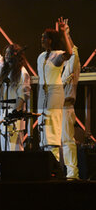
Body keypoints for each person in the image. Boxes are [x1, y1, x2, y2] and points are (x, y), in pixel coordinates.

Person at [0, 25, 31, 151]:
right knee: (5, 151)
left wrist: (13, 115)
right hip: (4, 116)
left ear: (15, 55)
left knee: (14, 150)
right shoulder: (4, 69)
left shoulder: (22, 73)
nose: (5, 55)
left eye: (8, 53)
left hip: (14, 118)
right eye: (5, 53)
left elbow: (22, 96)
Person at [37, 17, 72, 162]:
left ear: (50, 40)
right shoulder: (40, 57)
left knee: (52, 125)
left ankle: (55, 163)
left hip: (54, 93)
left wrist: (64, 33)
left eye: (44, 37)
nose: (41, 39)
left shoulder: (57, 55)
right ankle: (45, 162)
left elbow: (69, 54)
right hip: (42, 94)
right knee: (42, 124)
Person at [61, 19, 80, 179]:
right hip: (54, 108)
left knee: (67, 140)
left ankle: (72, 173)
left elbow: (73, 52)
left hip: (66, 107)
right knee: (55, 142)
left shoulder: (71, 65)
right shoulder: (58, 67)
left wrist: (67, 34)